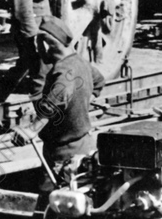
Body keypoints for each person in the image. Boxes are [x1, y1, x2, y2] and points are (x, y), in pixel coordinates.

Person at [12, 16, 104, 178]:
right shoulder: (80, 62)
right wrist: (79, 104)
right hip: (83, 144)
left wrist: (31, 130)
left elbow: (54, 101)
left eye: (39, 44)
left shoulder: (62, 71)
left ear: (47, 44)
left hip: (62, 155)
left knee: (55, 199)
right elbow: (99, 81)